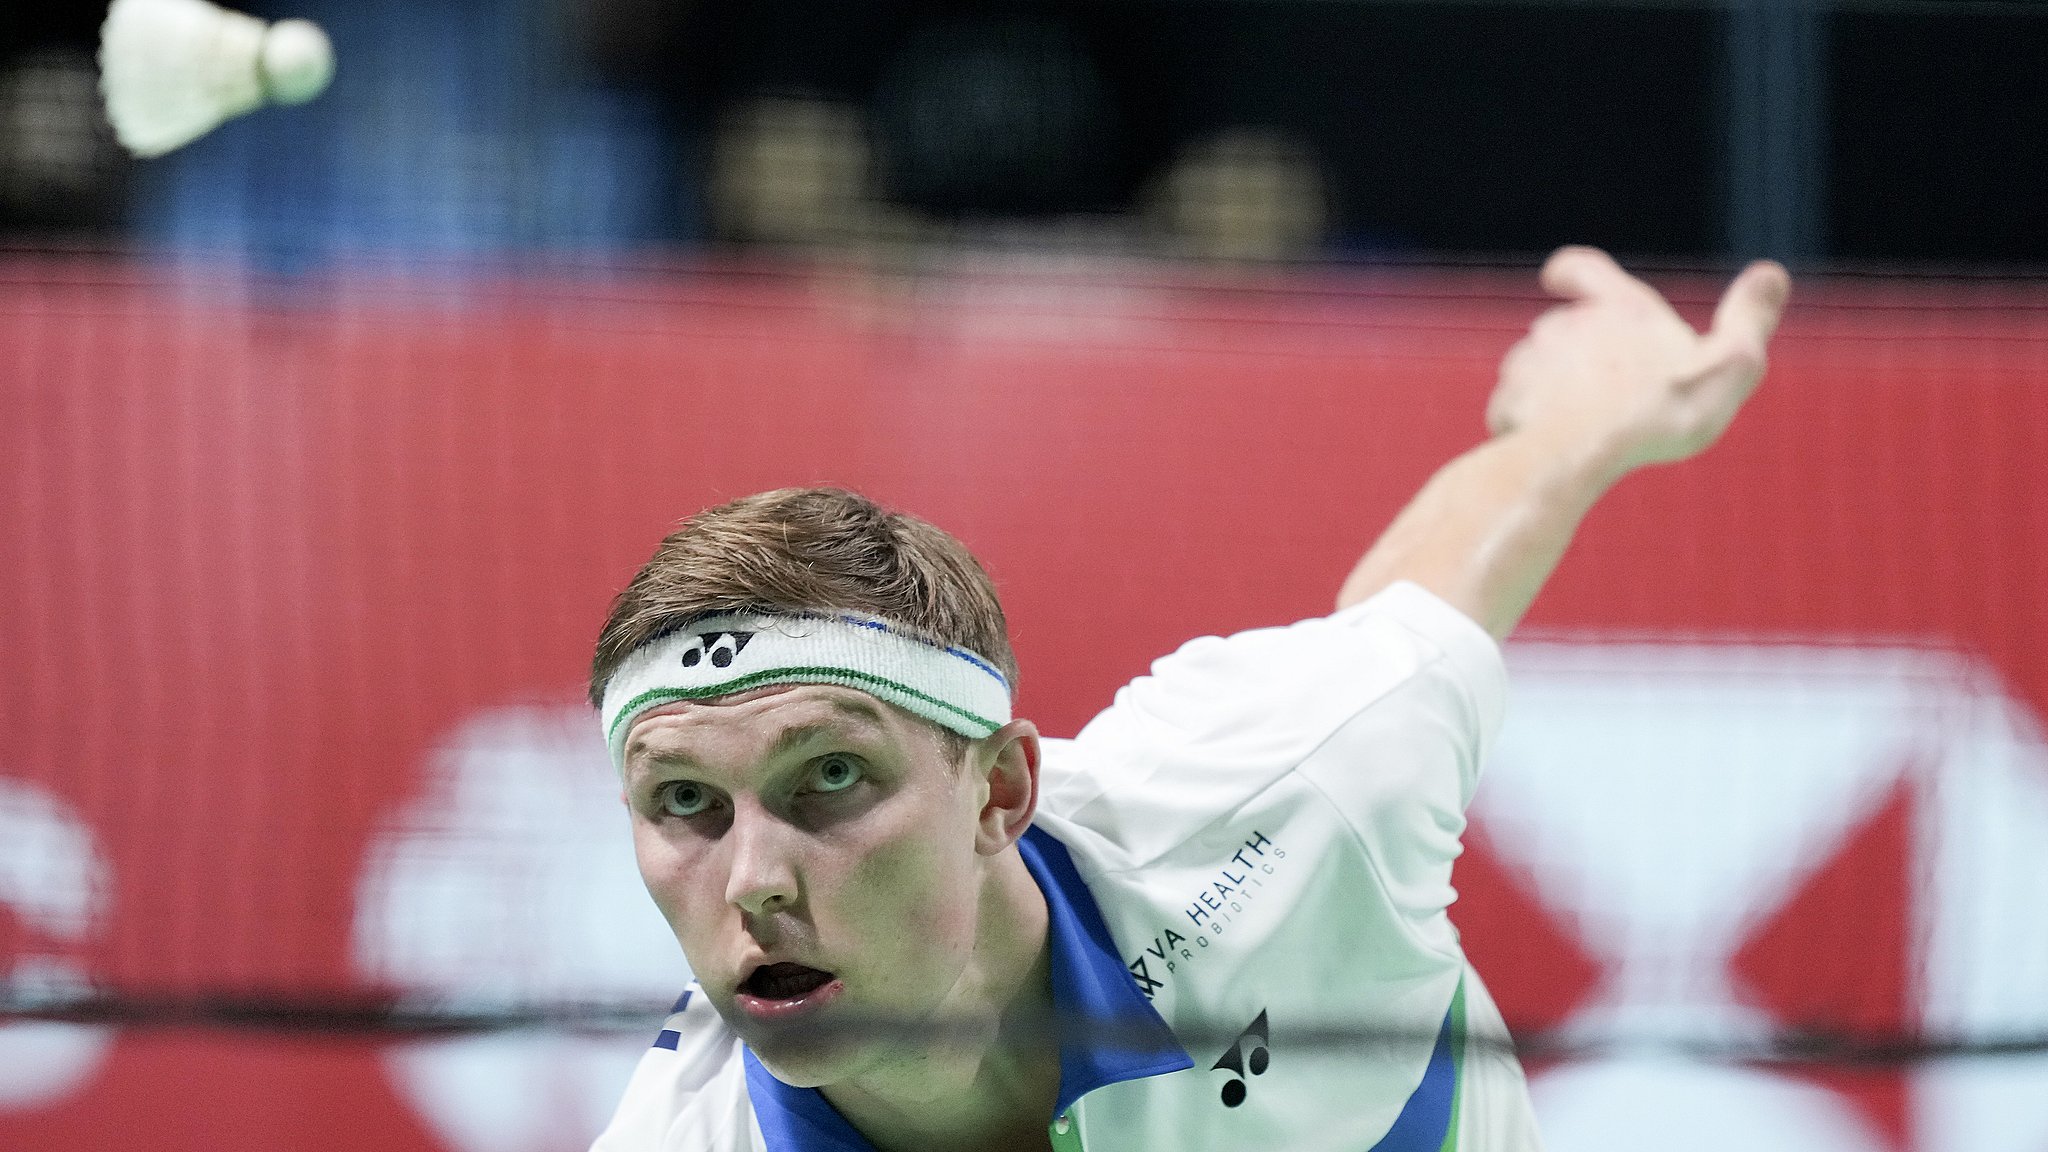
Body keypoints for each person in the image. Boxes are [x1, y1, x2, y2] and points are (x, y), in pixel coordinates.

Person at [586, 246, 1793, 1152]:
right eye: (685, 800)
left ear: (999, 788)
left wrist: (1585, 424)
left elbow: (1412, 625)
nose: (751, 881)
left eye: (830, 777)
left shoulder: (1287, 799)